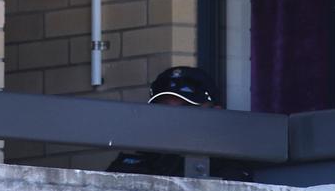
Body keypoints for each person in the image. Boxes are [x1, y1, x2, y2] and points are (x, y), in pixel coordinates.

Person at [106, 66, 252, 181]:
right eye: (164, 109)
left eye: (186, 108)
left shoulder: (229, 165)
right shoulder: (135, 162)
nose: (173, 118)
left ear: (216, 111)